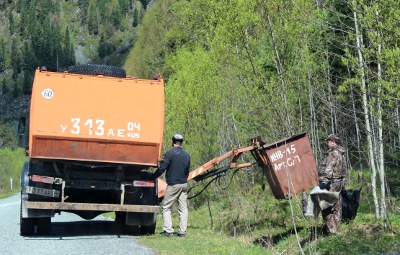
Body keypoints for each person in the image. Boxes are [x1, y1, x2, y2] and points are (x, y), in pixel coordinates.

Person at [151, 134, 190, 237]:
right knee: (183, 208)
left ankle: (168, 231)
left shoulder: (170, 153)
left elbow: (162, 168)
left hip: (173, 184)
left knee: (166, 207)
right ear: (181, 142)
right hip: (183, 184)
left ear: (172, 142)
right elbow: (187, 171)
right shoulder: (187, 154)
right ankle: (182, 232)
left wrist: (153, 176)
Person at [318, 134, 347, 235]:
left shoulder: (333, 153)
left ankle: (332, 231)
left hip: (332, 183)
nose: (327, 144)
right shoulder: (341, 153)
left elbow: (329, 168)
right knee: (337, 207)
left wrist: (324, 182)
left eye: (328, 142)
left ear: (333, 142)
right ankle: (336, 228)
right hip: (340, 183)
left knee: (326, 208)